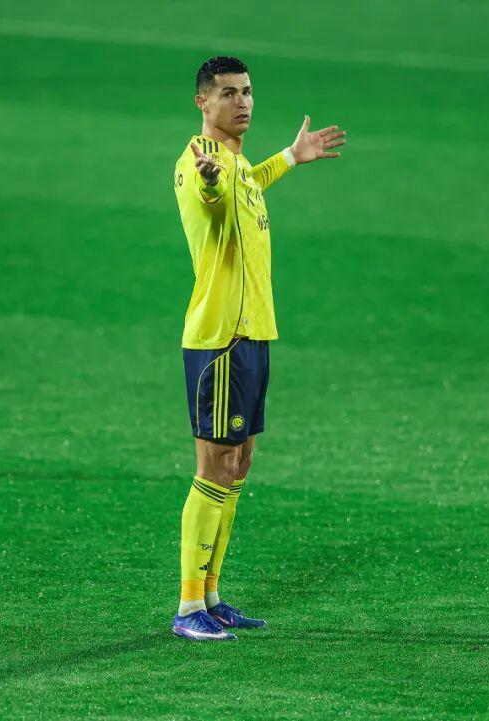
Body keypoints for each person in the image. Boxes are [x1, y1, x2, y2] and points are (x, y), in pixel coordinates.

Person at [170, 56, 346, 641]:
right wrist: (211, 179)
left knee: (239, 462)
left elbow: (245, 181)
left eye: (246, 92)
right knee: (212, 467)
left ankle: (212, 595)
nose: (242, 102)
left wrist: (291, 156)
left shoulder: (239, 161)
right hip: (221, 338)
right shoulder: (201, 161)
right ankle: (188, 607)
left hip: (254, 335)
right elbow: (215, 192)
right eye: (228, 93)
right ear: (203, 102)